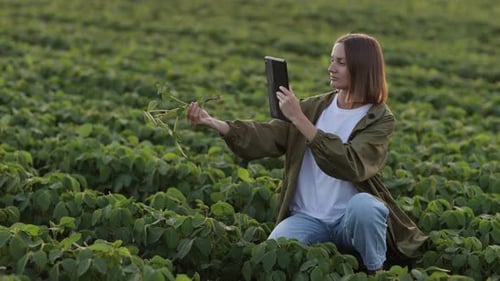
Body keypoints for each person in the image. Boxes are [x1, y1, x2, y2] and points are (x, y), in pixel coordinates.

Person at [186, 33, 427, 273]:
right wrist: (218, 124)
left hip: (348, 220)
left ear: (363, 67)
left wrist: (299, 119)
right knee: (272, 252)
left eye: (341, 62)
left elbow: (351, 163)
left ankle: (376, 270)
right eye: (332, 59)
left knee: (366, 207)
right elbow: (271, 135)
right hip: (308, 218)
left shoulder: (379, 119)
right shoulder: (315, 106)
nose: (331, 68)